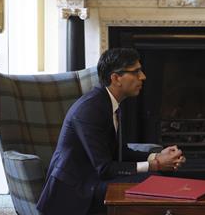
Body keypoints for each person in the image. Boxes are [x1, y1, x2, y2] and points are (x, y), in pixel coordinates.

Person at [37, 48, 186, 214]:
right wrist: (154, 165)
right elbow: (105, 168)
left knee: (163, 177)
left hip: (96, 178)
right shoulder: (90, 110)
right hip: (78, 190)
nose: (142, 77)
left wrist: (158, 157)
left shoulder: (109, 103)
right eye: (136, 72)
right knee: (157, 182)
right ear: (116, 78)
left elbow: (118, 152)